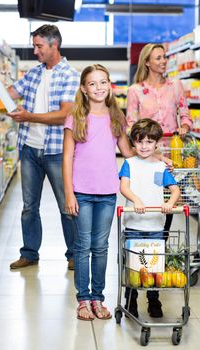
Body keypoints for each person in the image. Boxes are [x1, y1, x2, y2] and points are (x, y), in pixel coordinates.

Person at [62, 64, 136, 321]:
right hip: (81, 191)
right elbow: (68, 157)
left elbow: (127, 152)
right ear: (83, 88)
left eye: (103, 82)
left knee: (101, 246)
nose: (99, 88)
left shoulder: (116, 117)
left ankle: (97, 298)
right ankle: (83, 299)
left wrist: (156, 156)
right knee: (82, 246)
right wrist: (68, 193)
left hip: (107, 192)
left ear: (109, 85)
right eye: (92, 83)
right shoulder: (75, 116)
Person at [7, 24, 80, 270]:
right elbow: (10, 93)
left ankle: (73, 254)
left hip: (57, 151)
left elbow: (64, 115)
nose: (35, 51)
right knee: (29, 207)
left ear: (54, 45)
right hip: (29, 148)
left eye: (39, 46)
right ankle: (29, 253)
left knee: (66, 205)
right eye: (34, 46)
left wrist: (29, 116)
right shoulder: (33, 73)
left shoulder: (69, 75)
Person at [126, 43, 192, 233]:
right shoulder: (135, 90)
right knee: (150, 196)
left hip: (173, 152)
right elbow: (130, 124)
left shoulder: (175, 86)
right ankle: (147, 240)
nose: (164, 61)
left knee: (169, 198)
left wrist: (185, 127)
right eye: (158, 58)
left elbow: (185, 115)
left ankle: (161, 241)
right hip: (147, 154)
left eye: (164, 57)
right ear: (147, 62)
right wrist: (143, 140)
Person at [119, 118, 180, 318]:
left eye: (149, 142)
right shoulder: (129, 164)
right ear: (133, 143)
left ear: (157, 144)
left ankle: (153, 299)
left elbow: (175, 190)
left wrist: (170, 203)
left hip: (155, 225)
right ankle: (131, 298)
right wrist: (135, 199)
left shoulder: (161, 167)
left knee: (154, 264)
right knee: (134, 264)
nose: (144, 146)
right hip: (134, 225)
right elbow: (124, 187)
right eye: (139, 142)